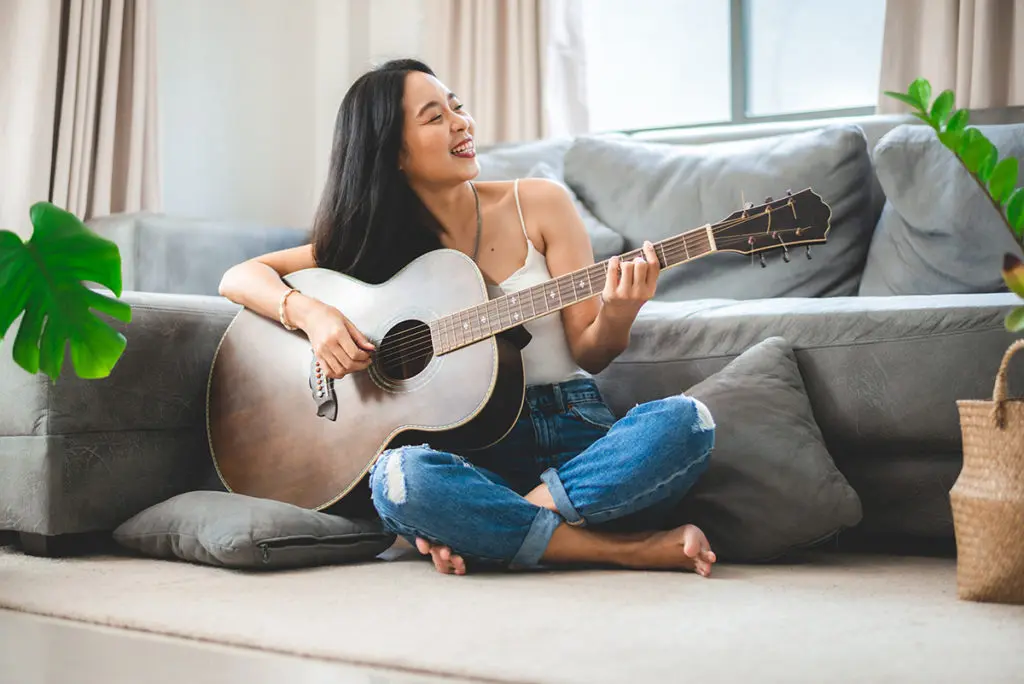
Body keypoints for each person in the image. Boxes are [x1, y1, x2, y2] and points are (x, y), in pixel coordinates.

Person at [219, 58, 717, 577]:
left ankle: (500, 528)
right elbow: (238, 276)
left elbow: (592, 351)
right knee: (400, 477)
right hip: (471, 451)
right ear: (392, 154)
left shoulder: (539, 204)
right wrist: (312, 315)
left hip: (575, 433)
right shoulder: (373, 244)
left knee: (687, 422)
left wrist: (618, 310)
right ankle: (625, 549)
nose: (462, 123)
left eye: (457, 107)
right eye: (435, 117)